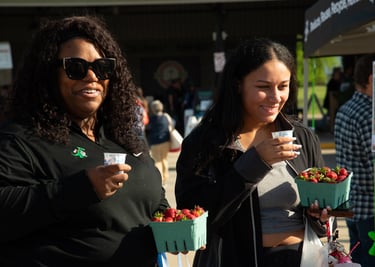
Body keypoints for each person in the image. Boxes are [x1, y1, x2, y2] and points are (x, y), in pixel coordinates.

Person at [0, 15, 170, 267]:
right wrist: (79, 189)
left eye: (102, 67)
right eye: (75, 67)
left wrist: (172, 222)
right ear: (48, 72)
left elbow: (152, 200)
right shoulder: (21, 138)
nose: (91, 76)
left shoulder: (123, 137)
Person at [175, 38, 333, 267]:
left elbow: (326, 205)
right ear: (238, 84)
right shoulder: (204, 143)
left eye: (283, 86)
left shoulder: (301, 136)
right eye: (263, 87)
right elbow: (192, 217)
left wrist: (322, 215)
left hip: (303, 258)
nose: (276, 97)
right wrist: (255, 163)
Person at [334, 53, 375, 267]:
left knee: (357, 262)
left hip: (352, 206)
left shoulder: (345, 110)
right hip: (371, 210)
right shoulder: (370, 115)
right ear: (371, 79)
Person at [146, 100, 171, 186]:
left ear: (152, 109)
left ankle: (160, 180)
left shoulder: (151, 119)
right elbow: (171, 126)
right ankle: (165, 179)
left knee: (157, 161)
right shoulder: (166, 116)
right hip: (166, 141)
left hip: (155, 142)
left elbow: (148, 128)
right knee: (164, 160)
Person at [323, 67, 342, 132]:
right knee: (331, 115)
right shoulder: (332, 82)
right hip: (330, 102)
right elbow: (331, 93)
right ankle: (331, 128)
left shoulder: (337, 82)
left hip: (334, 103)